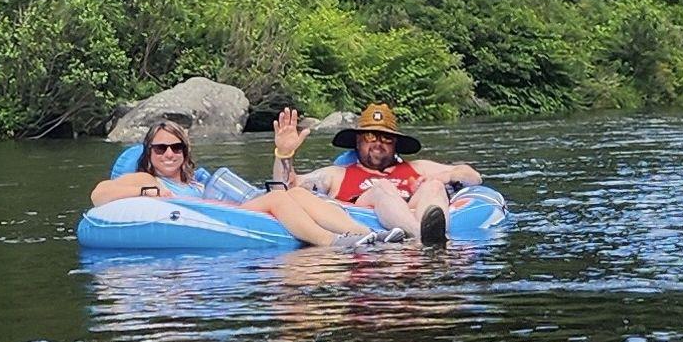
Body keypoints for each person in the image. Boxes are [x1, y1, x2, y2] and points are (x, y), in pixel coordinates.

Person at [90, 119, 397, 251]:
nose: (169, 154)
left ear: (185, 151)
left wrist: (284, 155)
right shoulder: (146, 177)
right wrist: (149, 191)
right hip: (214, 219)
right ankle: (331, 243)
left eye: (176, 147)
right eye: (160, 148)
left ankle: (366, 235)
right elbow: (99, 194)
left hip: (231, 213)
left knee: (296, 193)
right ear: (149, 153)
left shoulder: (196, 180)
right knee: (277, 200)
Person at [271, 101, 482, 246]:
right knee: (381, 187)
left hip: (410, 215)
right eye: (371, 136)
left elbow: (472, 177)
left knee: (434, 186)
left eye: (386, 138)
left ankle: (433, 235)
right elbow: (286, 187)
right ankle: (422, 236)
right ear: (358, 141)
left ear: (396, 144)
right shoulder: (336, 174)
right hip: (366, 228)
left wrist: (450, 176)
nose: (378, 143)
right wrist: (284, 154)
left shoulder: (418, 168)